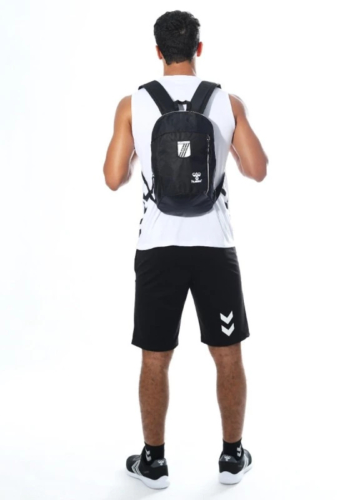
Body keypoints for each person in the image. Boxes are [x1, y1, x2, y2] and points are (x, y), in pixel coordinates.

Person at [103, 10, 268, 489]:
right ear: (199, 48)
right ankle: (232, 457)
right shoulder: (226, 101)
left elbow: (113, 178)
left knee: (155, 356)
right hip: (215, 247)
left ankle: (153, 463)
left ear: (157, 51)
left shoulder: (133, 104)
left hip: (158, 248)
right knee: (227, 352)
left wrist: (142, 154)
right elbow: (257, 169)